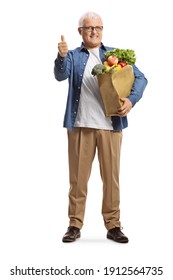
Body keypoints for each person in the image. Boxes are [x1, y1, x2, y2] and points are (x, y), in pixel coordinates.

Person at [54, 11, 148, 243]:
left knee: (111, 178)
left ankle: (113, 225)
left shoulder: (114, 55)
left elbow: (141, 78)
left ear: (102, 30)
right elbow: (60, 75)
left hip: (110, 126)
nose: (94, 31)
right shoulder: (74, 56)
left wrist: (130, 100)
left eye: (98, 27)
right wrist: (61, 56)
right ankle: (74, 224)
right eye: (89, 28)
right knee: (77, 179)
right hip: (80, 126)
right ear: (80, 32)